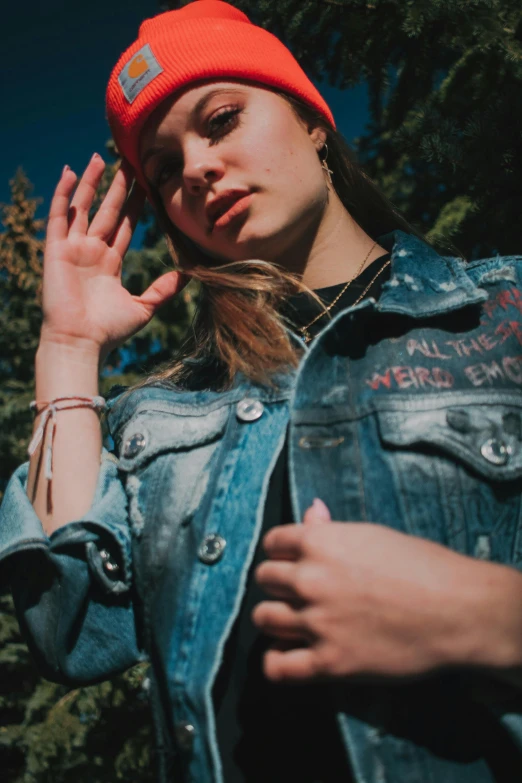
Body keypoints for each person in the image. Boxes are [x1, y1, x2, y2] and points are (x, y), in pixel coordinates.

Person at [2, 1, 522, 781]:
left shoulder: (504, 314)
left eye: (220, 120)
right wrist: (69, 349)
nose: (197, 171)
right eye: (166, 169)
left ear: (314, 120)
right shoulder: (164, 416)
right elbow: (70, 626)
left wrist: (488, 617)